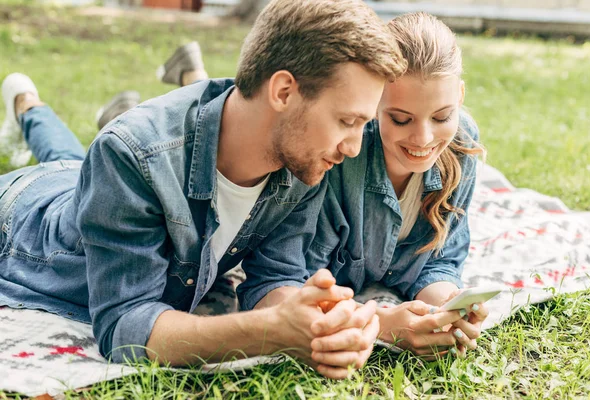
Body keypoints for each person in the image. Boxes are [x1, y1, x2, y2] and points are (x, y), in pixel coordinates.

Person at [0, 0, 406, 379]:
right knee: (64, 162)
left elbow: (274, 278)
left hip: (87, 182)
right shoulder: (130, 154)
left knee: (70, 156)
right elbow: (125, 325)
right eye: (347, 122)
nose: (353, 148)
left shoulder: (305, 158)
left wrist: (318, 324)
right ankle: (27, 105)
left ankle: (29, 105)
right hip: (24, 214)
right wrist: (270, 331)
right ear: (283, 92)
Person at [254, 12, 490, 361]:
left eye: (442, 116)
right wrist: (384, 323)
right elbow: (277, 282)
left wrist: (444, 309)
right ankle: (191, 76)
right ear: (374, 102)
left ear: (459, 95)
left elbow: (439, 260)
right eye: (400, 118)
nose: (423, 138)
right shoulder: (336, 150)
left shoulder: (461, 142)